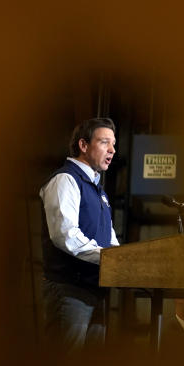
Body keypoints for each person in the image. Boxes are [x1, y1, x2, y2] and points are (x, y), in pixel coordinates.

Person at [38, 117, 119, 351]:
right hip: (70, 291)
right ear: (83, 146)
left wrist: (122, 259)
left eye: (113, 144)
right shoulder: (66, 180)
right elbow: (65, 235)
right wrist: (109, 258)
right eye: (105, 142)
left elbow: (110, 238)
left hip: (95, 290)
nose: (113, 150)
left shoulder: (98, 191)